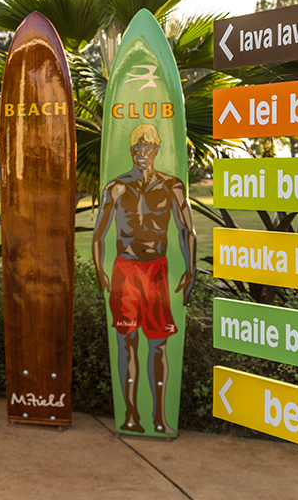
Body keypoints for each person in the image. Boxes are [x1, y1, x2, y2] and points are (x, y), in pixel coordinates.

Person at [92, 123, 196, 434]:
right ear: (131, 151)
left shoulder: (172, 186)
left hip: (156, 270)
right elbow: (99, 234)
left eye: (147, 147)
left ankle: (160, 418)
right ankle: (131, 416)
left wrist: (190, 270)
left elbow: (186, 230)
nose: (141, 153)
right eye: (136, 148)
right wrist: (99, 268)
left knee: (158, 344)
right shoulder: (116, 187)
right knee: (127, 343)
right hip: (125, 269)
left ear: (156, 149)